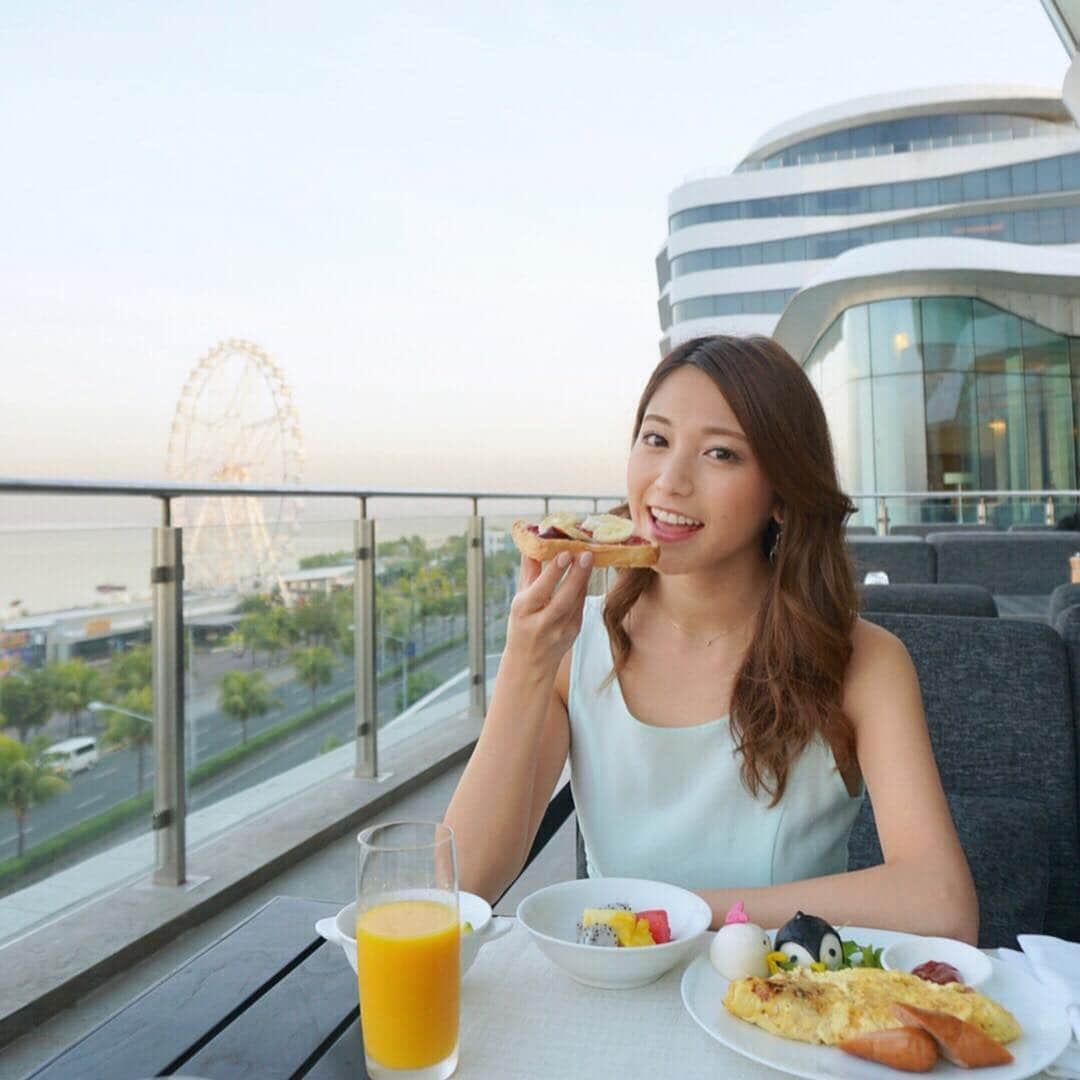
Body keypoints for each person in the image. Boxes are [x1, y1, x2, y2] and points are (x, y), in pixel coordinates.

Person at [444, 335, 978, 943]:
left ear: (781, 495)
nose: (669, 482)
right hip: (614, 1006)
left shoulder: (865, 662)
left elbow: (942, 904)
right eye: (656, 439)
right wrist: (524, 664)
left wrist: (675, 916)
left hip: (783, 1010)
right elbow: (462, 886)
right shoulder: (576, 646)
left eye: (721, 453)